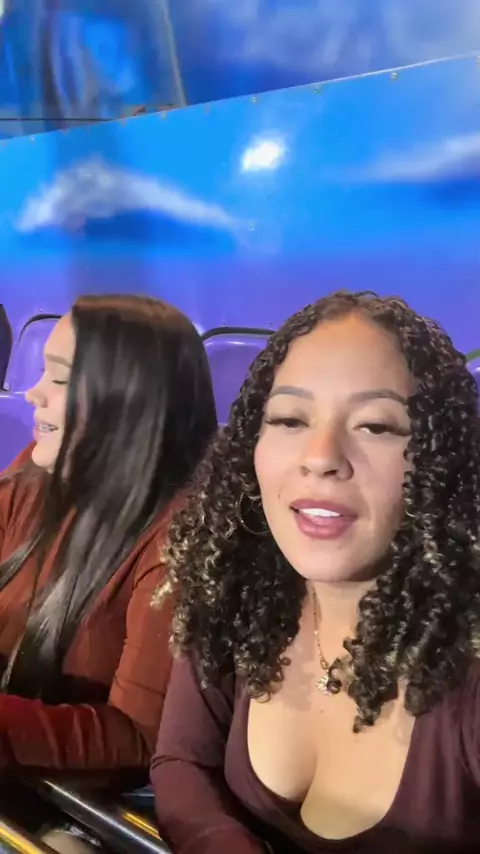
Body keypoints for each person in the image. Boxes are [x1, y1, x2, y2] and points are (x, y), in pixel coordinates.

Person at [151, 290, 480, 854]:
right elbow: (183, 763)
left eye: (376, 426)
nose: (321, 455)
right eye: (289, 419)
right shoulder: (234, 589)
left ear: (441, 460)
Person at [0, 293, 217, 852]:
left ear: (128, 401)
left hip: (86, 808)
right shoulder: (33, 475)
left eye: (59, 379)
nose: (33, 393)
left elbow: (137, 739)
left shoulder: (180, 542)